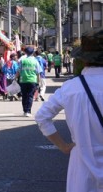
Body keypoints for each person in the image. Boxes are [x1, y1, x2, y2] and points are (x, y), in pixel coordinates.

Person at [34, 28, 103, 192]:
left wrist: (63, 146)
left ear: (83, 60)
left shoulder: (71, 88)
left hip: (82, 169)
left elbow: (42, 117)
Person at [16, 46, 42, 117]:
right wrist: (38, 82)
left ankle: (25, 111)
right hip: (32, 81)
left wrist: (15, 78)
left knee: (24, 96)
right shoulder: (35, 61)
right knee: (30, 96)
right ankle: (28, 111)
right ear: (32, 53)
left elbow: (18, 71)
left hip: (23, 80)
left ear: (25, 52)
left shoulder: (22, 60)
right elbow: (38, 73)